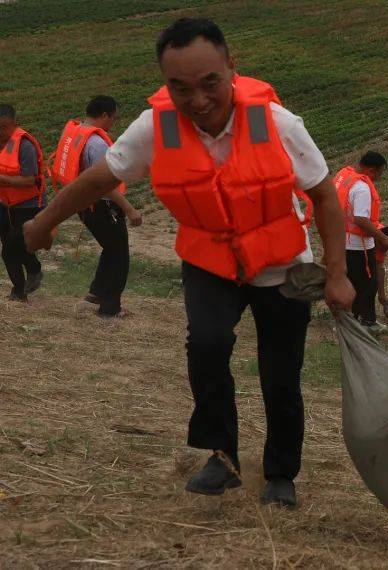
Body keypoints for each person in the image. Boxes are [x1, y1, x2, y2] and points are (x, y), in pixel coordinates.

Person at [23, 18, 355, 508]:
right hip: (210, 259)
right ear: (165, 82)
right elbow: (98, 179)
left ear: (231, 69)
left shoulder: (278, 123)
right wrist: (45, 221)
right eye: (179, 88)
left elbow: (325, 197)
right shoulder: (155, 128)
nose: (197, 100)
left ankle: (281, 473)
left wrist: (338, 273)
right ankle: (221, 458)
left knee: (280, 373)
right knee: (207, 343)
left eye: (209, 84)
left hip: (282, 262)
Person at [50, 95, 144, 317]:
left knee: (111, 249)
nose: (113, 123)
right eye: (113, 118)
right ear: (104, 115)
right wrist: (129, 209)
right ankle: (110, 308)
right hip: (102, 207)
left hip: (83, 205)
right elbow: (104, 184)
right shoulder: (96, 143)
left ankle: (97, 293)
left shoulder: (75, 133)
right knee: (119, 255)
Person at [332, 151, 388, 328]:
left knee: (351, 283)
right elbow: (360, 219)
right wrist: (383, 238)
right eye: (379, 173)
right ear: (372, 170)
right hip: (359, 246)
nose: (379, 178)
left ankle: (363, 319)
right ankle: (355, 324)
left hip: (340, 240)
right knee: (366, 286)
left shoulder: (343, 176)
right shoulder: (362, 187)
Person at [0, 104, 47, 301]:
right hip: (4, 204)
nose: (0, 131)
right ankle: (20, 289)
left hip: (29, 206)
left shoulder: (24, 145)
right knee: (10, 246)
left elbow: (30, 180)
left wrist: (3, 180)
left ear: (14, 124)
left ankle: (30, 276)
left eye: (4, 127)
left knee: (10, 249)